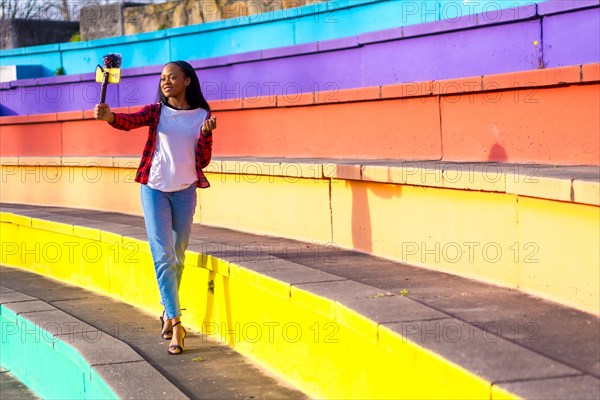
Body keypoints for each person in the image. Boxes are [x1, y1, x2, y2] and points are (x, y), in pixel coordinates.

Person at [94, 60, 217, 355]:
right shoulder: (156, 112)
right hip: (154, 188)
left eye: (172, 77)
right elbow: (128, 122)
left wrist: (208, 133)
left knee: (177, 255)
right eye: (162, 77)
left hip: (185, 191)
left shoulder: (202, 115)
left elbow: (203, 160)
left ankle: (166, 310)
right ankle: (177, 325)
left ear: (187, 81)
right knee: (162, 256)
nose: (165, 81)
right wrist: (110, 115)